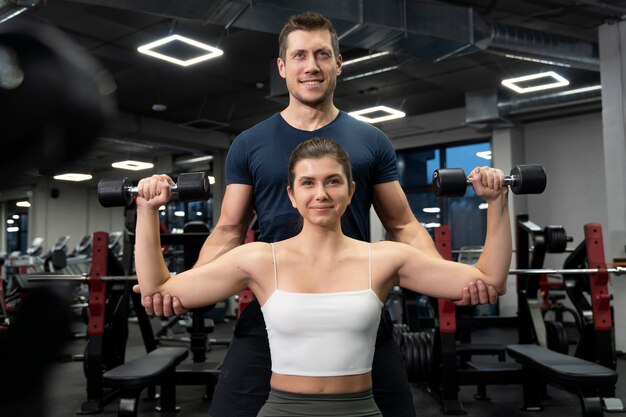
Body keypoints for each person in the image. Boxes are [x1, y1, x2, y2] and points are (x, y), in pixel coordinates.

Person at [135, 11, 500, 417]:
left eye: (323, 55)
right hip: (277, 309)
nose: (311, 66)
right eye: (300, 56)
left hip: (357, 307)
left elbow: (403, 224)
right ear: (282, 66)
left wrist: (442, 278)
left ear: (338, 64)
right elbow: (229, 229)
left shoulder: (370, 141)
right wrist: (187, 287)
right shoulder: (250, 143)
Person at [135, 137, 511, 417]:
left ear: (350, 191)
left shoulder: (384, 259)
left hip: (361, 409)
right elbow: (159, 288)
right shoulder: (258, 260)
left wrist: (497, 202)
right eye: (308, 183)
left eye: (333, 182)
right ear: (291, 195)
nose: (321, 193)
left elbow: (489, 281)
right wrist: (147, 209)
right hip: (282, 410)